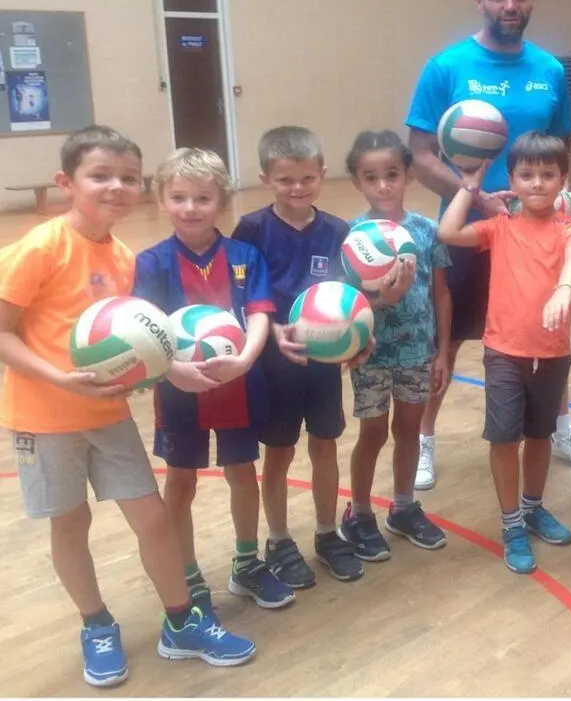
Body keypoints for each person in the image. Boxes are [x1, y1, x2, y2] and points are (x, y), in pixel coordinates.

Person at [0, 126, 254, 688]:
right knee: (71, 525)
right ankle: (95, 624)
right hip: (44, 421)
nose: (115, 187)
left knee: (153, 519)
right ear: (67, 183)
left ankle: (180, 621)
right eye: (100, 176)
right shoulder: (42, 246)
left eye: (127, 177)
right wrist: (61, 380)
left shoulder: (123, 258)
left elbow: (137, 347)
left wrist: (167, 372)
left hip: (108, 416)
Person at [405, 0, 571, 488]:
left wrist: (565, 199)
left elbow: (562, 150)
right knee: (448, 339)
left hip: (537, 235)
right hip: (470, 229)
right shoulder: (446, 67)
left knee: (545, 333)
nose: (511, 5)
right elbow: (419, 154)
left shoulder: (550, 71)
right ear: (480, 0)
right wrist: (479, 198)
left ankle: (557, 428)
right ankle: (424, 441)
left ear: (531, 0)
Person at [133, 147, 294, 613]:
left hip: (240, 386)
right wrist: (171, 370)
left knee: (242, 474)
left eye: (202, 198)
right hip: (179, 390)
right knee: (180, 482)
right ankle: (187, 575)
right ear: (160, 201)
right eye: (178, 197)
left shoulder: (245, 256)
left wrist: (244, 360)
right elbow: (142, 330)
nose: (190, 208)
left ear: (221, 202)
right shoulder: (151, 263)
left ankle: (246, 564)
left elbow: (261, 314)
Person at [231, 126, 383, 588]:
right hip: (273, 365)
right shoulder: (252, 229)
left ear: (321, 174)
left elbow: (352, 298)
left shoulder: (339, 231)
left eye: (306, 179)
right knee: (277, 454)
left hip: (322, 366)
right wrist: (271, 330)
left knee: (324, 446)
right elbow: (237, 295)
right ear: (265, 179)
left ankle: (325, 532)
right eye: (284, 180)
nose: (297, 188)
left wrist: (360, 338)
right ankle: (277, 540)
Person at [438, 132, 571, 574]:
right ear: (512, 180)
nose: (537, 183)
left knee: (539, 437)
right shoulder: (499, 228)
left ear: (563, 179)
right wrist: (470, 186)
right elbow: (448, 231)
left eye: (547, 175)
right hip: (503, 351)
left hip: (552, 352)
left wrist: (564, 287)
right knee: (504, 439)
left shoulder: (570, 228)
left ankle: (534, 507)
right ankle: (511, 523)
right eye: (526, 175)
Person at [338, 130, 451, 560]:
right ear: (357, 181)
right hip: (371, 355)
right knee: (371, 434)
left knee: (407, 431)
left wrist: (441, 351)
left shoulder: (426, 231)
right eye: (371, 177)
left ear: (408, 177)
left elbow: (441, 292)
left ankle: (403, 507)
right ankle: (360, 513)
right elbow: (343, 299)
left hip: (417, 355)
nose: (383, 185)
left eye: (392, 175)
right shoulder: (352, 237)